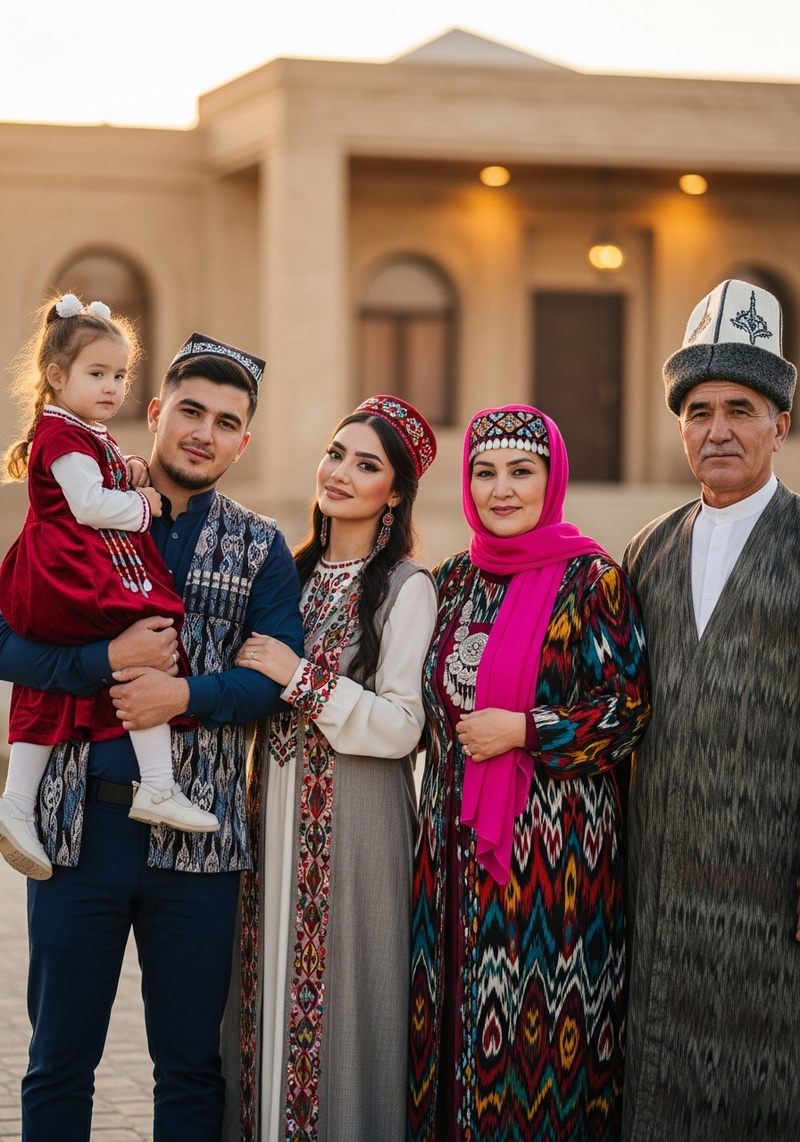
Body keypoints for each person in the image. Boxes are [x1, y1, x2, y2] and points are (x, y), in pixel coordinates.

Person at [0, 329, 304, 1142]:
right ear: (156, 410)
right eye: (191, 411)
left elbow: (270, 682)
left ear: (244, 441)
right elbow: (6, 639)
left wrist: (181, 694)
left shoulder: (261, 548)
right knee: (59, 1061)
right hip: (75, 833)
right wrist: (104, 659)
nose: (204, 432)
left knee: (189, 1067)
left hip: (200, 849)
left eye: (226, 421)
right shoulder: (74, 506)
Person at [409, 405, 651, 1142]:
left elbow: (628, 711)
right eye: (485, 473)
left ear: (551, 481)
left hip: (556, 868)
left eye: (521, 472)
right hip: (449, 853)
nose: (501, 489)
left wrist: (526, 729)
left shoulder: (592, 581)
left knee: (542, 1041)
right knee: (449, 1025)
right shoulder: (450, 581)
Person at [224, 395, 438, 1142]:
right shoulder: (290, 573)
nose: (342, 472)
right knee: (259, 1005)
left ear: (398, 491)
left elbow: (405, 725)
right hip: (269, 817)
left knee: (343, 1011)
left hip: (355, 829)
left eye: (367, 464)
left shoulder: (409, 587)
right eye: (336, 453)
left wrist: (299, 677)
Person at [622, 279, 800, 1140]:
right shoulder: (645, 550)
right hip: (657, 884)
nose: (717, 428)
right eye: (697, 410)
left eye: (741, 407)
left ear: (781, 424)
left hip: (771, 889)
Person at [0, 295, 219, 886]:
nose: (111, 386)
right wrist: (143, 504)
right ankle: (156, 785)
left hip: (69, 566)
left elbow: (100, 479)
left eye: (119, 375)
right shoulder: (62, 438)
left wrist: (128, 471)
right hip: (65, 572)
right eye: (97, 374)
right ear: (55, 376)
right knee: (148, 630)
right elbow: (89, 503)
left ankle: (23, 799)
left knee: (72, 677)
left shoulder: (81, 433)